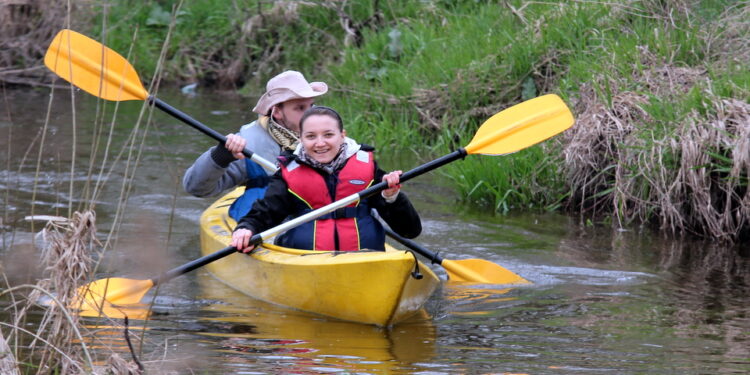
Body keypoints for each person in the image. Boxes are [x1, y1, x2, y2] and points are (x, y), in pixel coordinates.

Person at [231, 106, 422, 253]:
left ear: (342, 135)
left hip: (364, 259)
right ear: (301, 139)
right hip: (306, 263)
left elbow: (410, 231)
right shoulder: (288, 175)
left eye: (328, 135)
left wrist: (392, 198)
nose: (320, 143)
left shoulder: (368, 169)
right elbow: (265, 212)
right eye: (311, 136)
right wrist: (246, 229)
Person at [183, 71, 328, 220]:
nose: (310, 114)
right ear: (277, 112)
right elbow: (196, 188)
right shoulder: (248, 145)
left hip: (314, 222)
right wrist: (220, 156)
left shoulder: (328, 139)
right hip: (262, 226)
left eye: (311, 105)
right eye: (300, 108)